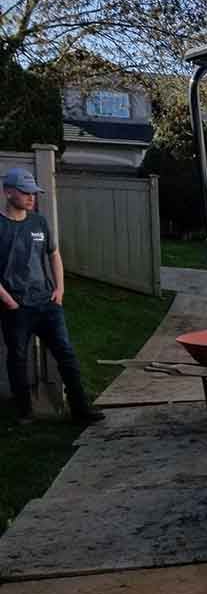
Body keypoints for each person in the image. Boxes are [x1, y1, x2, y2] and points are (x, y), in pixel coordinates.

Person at [0, 168, 104, 423]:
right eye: (25, 192)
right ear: (8, 192)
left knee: (66, 355)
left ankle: (81, 409)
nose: (31, 197)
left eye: (33, 193)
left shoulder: (39, 222)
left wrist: (60, 289)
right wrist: (8, 300)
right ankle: (25, 412)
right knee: (18, 359)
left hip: (47, 303)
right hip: (16, 307)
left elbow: (53, 254)